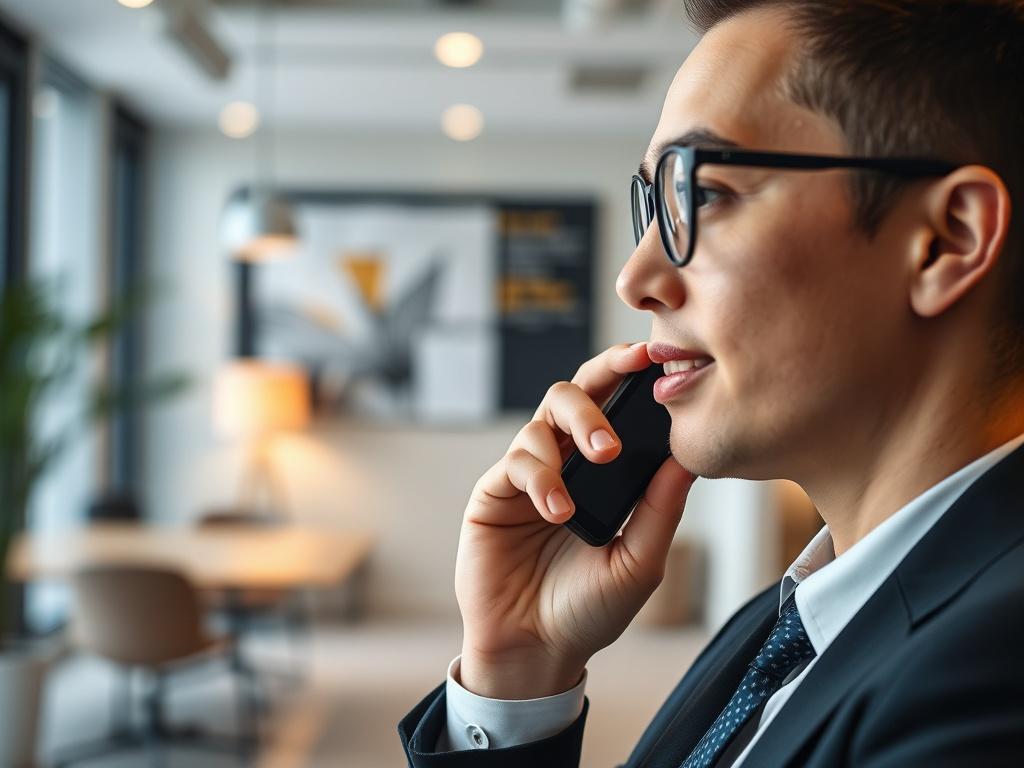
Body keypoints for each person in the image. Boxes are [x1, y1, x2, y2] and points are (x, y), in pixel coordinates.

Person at [399, 1, 1024, 765]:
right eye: (651, 206)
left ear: (944, 240)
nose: (636, 278)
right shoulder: (787, 619)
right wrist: (518, 668)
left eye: (701, 194)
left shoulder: (992, 676)